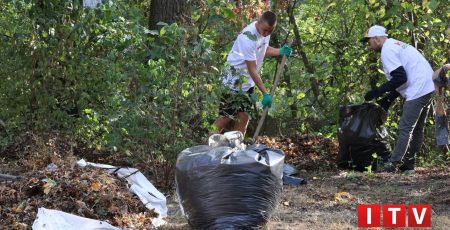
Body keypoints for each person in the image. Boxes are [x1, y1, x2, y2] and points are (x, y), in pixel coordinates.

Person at [361, 25, 435, 172]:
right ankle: (409, 165)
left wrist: (376, 92)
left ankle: (393, 164)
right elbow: (402, 77)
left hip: (418, 89)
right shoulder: (395, 44)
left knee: (405, 128)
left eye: (368, 41)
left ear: (376, 39)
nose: (369, 45)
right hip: (429, 85)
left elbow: (400, 77)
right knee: (418, 129)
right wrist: (389, 97)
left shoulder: (387, 50)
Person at [213, 11, 292, 136]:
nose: (266, 34)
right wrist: (265, 93)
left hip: (247, 83)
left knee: (244, 118)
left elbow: (262, 49)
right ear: (259, 22)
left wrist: (279, 51)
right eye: (265, 30)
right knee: (225, 118)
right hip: (233, 82)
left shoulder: (265, 32)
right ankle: (207, 148)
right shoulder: (248, 37)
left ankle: (237, 150)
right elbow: (252, 69)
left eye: (270, 31)